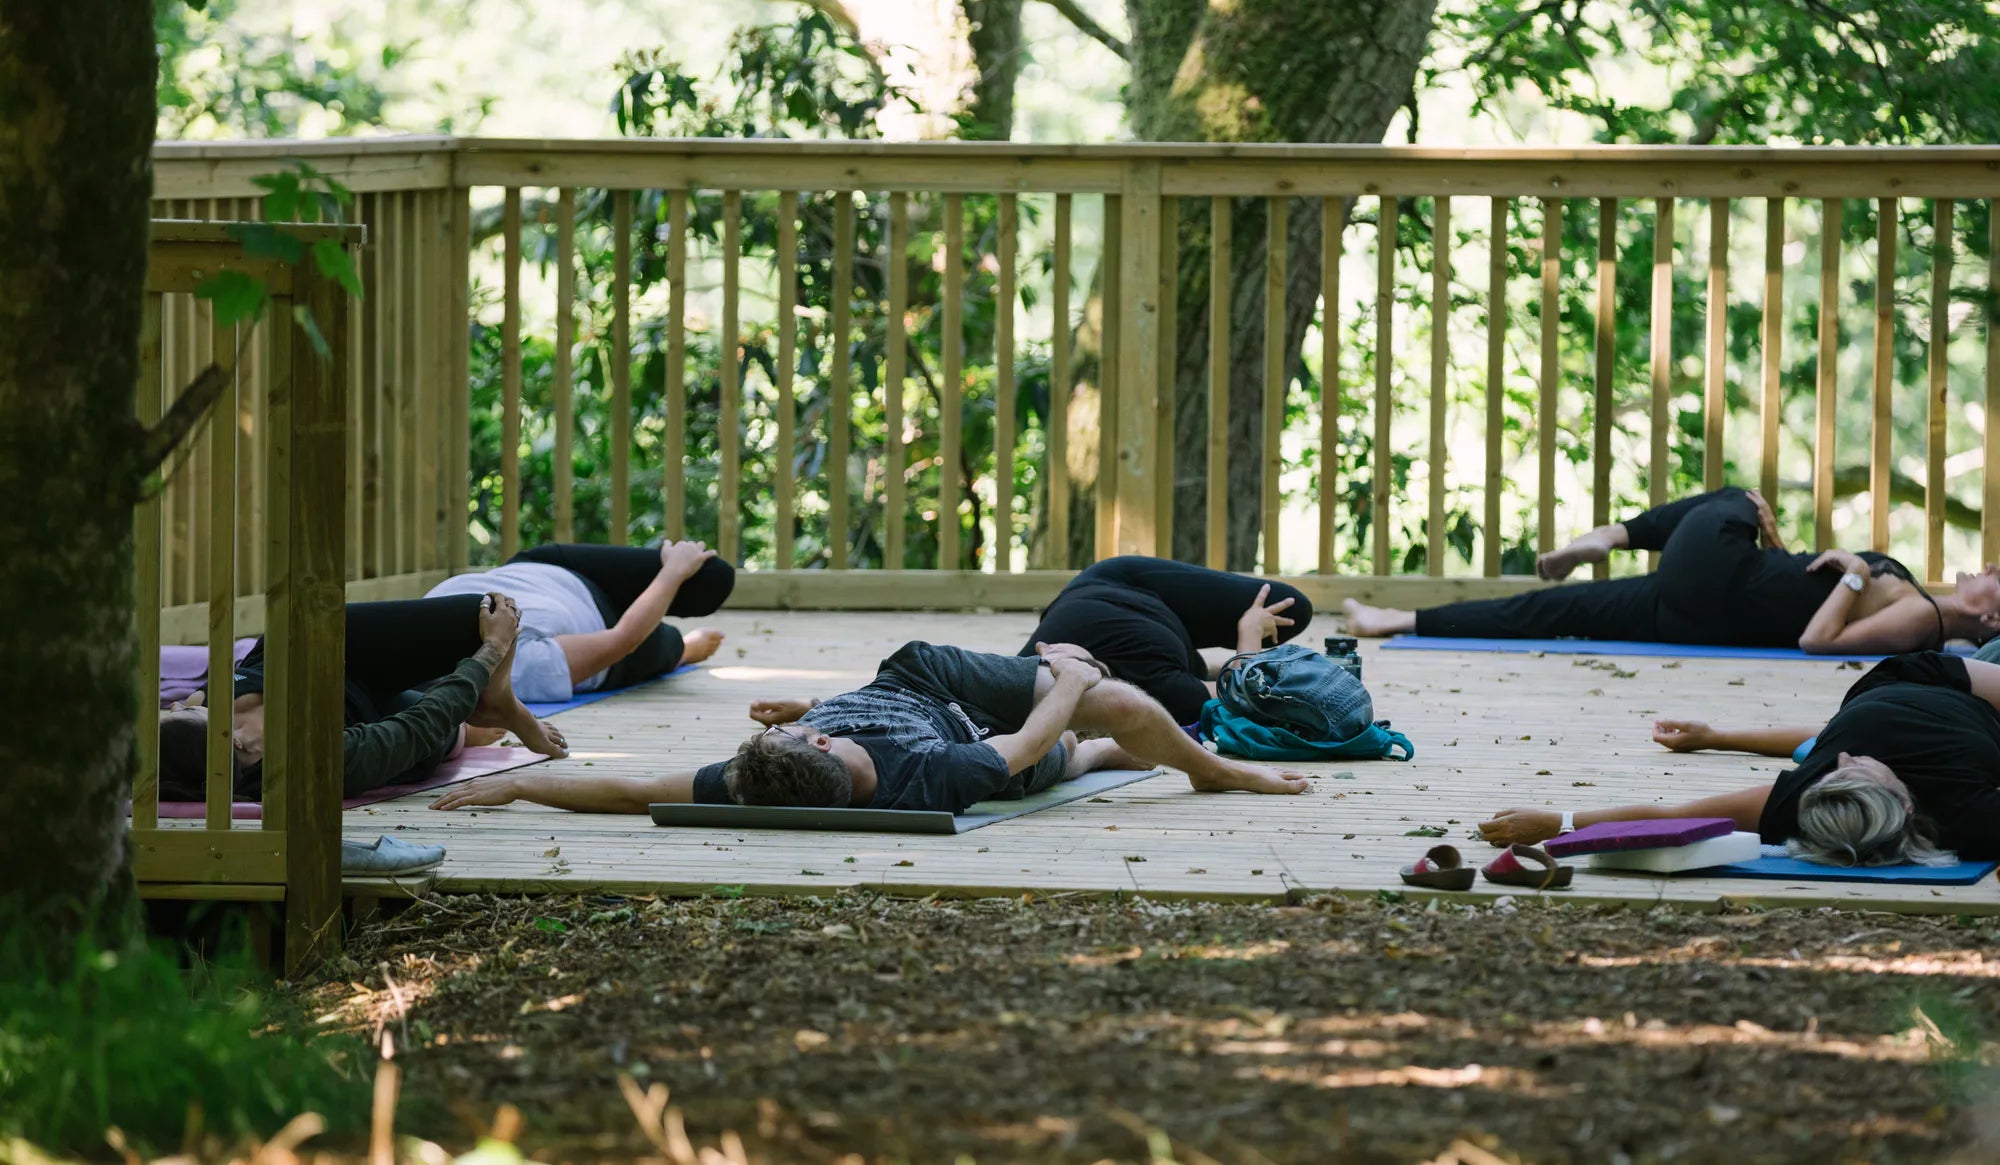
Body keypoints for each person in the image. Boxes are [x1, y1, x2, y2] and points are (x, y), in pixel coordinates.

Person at [428, 640, 1313, 817]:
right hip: (997, 739)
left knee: (917, 654)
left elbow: (621, 788)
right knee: (1102, 722)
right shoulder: (935, 781)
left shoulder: (753, 779)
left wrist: (503, 781)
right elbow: (1029, 743)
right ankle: (1213, 769)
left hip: (919, 678)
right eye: (819, 731)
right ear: (820, 753)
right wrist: (1070, 678)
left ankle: (1107, 718)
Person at [1478, 651, 2000, 866]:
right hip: (1960, 684)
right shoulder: (1972, 816)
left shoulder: (1813, 790)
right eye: (1852, 766)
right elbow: (1829, 746)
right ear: (1905, 805)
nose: (1842, 759)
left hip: (1923, 676)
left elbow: (1677, 817)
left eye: (1841, 769)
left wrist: (1559, 822)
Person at [1342, 487, 2000, 654]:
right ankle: (1397, 619)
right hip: (1701, 609)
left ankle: (1613, 534)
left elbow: (1817, 642)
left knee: (1738, 497)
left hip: (1722, 583)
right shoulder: (1934, 613)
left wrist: (1856, 572)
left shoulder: (1927, 614)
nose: (1991, 563)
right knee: (1547, 612)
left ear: (1993, 613)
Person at [157, 592, 570, 804]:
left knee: (478, 612)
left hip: (334, 662)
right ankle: (491, 710)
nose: (176, 704)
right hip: (377, 716)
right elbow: (415, 728)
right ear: (234, 743)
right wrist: (491, 654)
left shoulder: (209, 706)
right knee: (449, 723)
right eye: (180, 715)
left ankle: (496, 698)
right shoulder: (305, 765)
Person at [1018, 556, 1314, 729]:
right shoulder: (1160, 693)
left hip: (1116, 581)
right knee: (1290, 608)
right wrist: (1248, 632)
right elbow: (1241, 695)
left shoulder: (1030, 668)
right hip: (1164, 623)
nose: (1053, 650)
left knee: (1290, 609)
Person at [424, 539, 733, 703]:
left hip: (541, 567)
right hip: (606, 627)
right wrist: (673, 571)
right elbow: (623, 640)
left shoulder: (422, 617)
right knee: (669, 642)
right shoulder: (515, 670)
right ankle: (688, 648)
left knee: (713, 576)